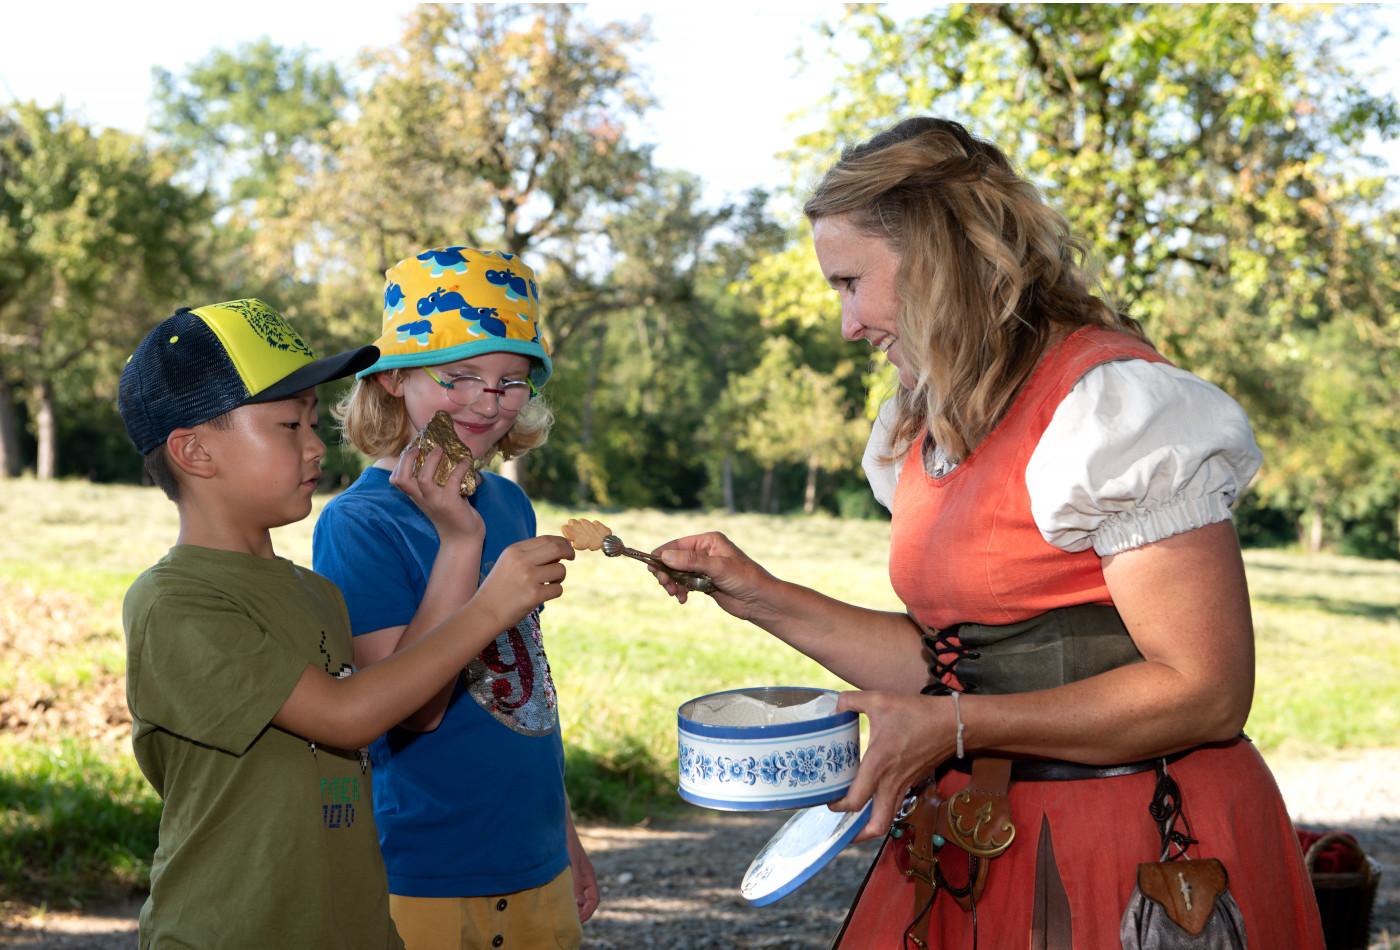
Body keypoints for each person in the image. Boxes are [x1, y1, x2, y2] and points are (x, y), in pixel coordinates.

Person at [652, 119, 1325, 948]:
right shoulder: (922, 424)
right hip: (975, 832)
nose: (847, 324)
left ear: (934, 262)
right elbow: (952, 668)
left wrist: (960, 728)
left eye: (851, 282)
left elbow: (1206, 689)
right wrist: (764, 598)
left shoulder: (1109, 410)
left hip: (1137, 842)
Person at [117, 299, 572, 949]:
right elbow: (348, 715)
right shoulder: (176, 604)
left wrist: (460, 540)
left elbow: (405, 701)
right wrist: (491, 605)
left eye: (310, 420)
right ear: (194, 451)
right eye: (285, 426)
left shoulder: (314, 595)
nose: (314, 444)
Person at [312, 246, 598, 950]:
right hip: (426, 872)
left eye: (510, 382)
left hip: (533, 859)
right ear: (394, 380)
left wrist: (564, 836)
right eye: (459, 376)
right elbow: (412, 712)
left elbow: (526, 691)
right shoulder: (359, 524)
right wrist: (460, 543)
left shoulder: (507, 503)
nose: (485, 401)